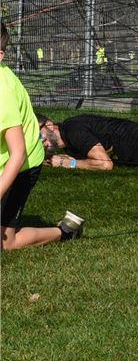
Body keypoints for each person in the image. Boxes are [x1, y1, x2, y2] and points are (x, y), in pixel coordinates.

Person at [1, 21, 84, 250]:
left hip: (22, 164)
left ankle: (65, 231)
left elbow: (18, 155)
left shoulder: (2, 95)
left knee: (6, 242)